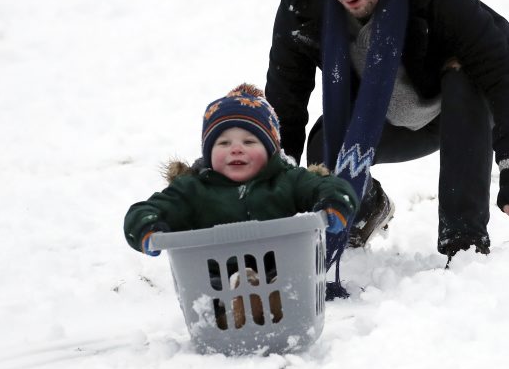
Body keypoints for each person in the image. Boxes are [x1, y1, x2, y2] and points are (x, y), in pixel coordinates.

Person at [265, 0, 509, 266]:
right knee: (324, 146)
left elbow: (502, 71)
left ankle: (465, 241)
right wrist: (271, 185)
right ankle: (365, 209)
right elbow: (286, 101)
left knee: (464, 78)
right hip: (383, 116)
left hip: (464, 103)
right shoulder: (302, 7)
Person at [123, 83, 357, 258]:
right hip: (214, 290)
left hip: (285, 281)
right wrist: (147, 226)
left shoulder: (288, 180)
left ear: (270, 151)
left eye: (249, 142)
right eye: (223, 143)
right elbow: (146, 210)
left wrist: (334, 202)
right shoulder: (193, 190)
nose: (235, 150)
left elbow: (328, 186)